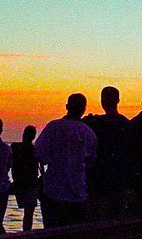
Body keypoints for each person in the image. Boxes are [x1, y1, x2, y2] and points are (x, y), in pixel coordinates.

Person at [34, 93, 97, 228]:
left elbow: (39, 154)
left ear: (67, 106)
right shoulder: (88, 133)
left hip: (53, 192)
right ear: (83, 109)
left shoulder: (53, 127)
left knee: (51, 233)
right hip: (78, 193)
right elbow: (91, 162)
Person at [82, 86, 132, 219]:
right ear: (118, 100)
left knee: (97, 221)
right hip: (117, 180)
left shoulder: (94, 123)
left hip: (99, 181)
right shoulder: (126, 124)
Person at [10, 125, 41, 231]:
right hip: (30, 183)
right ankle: (26, 232)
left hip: (20, 183)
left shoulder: (15, 148)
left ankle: (25, 232)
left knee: (28, 213)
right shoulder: (34, 149)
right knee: (29, 213)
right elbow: (41, 164)